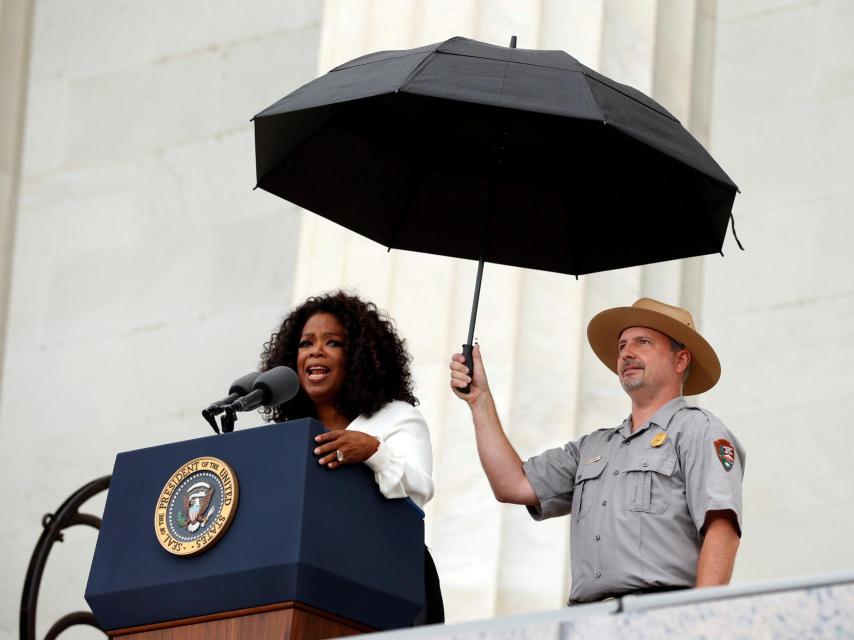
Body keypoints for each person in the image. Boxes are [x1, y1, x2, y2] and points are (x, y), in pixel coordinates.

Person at [449, 297, 744, 605]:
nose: (627, 353)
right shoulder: (593, 447)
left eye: (642, 343)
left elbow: (722, 528)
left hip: (659, 614)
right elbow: (512, 484)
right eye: (622, 346)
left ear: (680, 360)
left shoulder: (698, 430)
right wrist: (479, 400)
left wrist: (701, 619)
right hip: (587, 619)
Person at [261, 290, 443, 623]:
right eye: (306, 343)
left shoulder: (395, 418)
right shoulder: (291, 438)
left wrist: (374, 451)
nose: (316, 350)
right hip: (315, 586)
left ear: (357, 356)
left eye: (332, 343)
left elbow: (419, 492)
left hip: (394, 580)